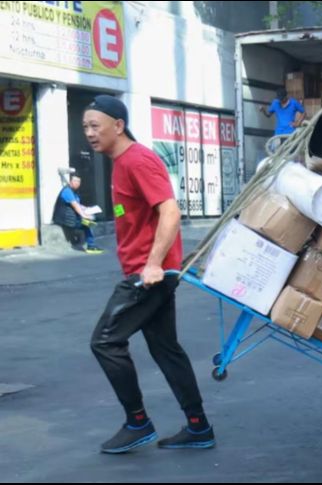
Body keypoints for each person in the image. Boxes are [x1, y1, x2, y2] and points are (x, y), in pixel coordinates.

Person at [84, 95, 215, 454]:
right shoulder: (122, 162)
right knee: (165, 349)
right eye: (85, 127)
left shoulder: (137, 160)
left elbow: (170, 212)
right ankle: (198, 426)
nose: (90, 133)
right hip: (152, 271)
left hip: (149, 275)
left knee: (106, 342)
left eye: (95, 125)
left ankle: (137, 421)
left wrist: (154, 264)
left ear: (118, 125)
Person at [52, 172, 104, 254]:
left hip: (71, 218)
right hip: (65, 219)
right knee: (87, 223)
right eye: (75, 181)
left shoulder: (73, 192)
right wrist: (84, 215)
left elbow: (78, 205)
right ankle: (91, 246)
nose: (77, 183)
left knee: (90, 221)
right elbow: (75, 205)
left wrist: (87, 209)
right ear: (70, 181)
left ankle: (89, 243)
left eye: (79, 181)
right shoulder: (67, 191)